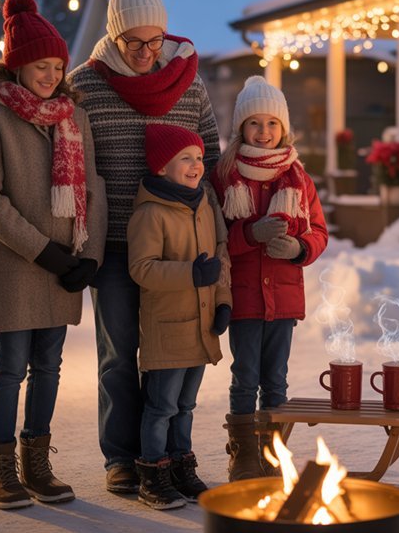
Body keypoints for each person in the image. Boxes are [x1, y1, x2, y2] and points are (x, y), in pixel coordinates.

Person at [66, 0, 222, 493]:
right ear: (114, 36)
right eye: (133, 42)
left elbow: (211, 156)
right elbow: (70, 165)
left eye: (155, 41)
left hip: (178, 249)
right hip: (114, 244)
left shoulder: (189, 83)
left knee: (172, 352)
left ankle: (164, 454)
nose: (145, 52)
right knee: (118, 354)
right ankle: (121, 457)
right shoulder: (84, 85)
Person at [0, 0, 107, 509]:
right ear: (17, 65)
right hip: (16, 263)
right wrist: (43, 251)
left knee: (49, 366)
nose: (50, 75)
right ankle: (1, 469)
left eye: (56, 66)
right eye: (39, 65)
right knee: (11, 367)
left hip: (65, 262)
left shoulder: (74, 117)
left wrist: (88, 255)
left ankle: (37, 464)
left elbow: (92, 186)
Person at [212, 76, 329, 481]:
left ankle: (273, 452)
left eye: (272, 124)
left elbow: (319, 231)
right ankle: (244, 454)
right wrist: (249, 235)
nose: (264, 132)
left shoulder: (298, 178)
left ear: (284, 128)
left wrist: (299, 248)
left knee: (276, 380)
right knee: (245, 377)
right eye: (254, 123)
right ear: (241, 128)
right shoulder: (224, 177)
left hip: (283, 298)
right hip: (244, 297)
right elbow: (213, 238)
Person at [126, 124, 232, 509]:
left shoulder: (204, 205)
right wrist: (190, 273)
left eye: (199, 157)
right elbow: (141, 268)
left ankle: (180, 466)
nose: (196, 165)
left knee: (186, 405)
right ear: (161, 167)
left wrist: (223, 301)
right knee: (161, 407)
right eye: (185, 158)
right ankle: (152, 474)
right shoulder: (150, 213)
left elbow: (220, 255)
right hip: (168, 330)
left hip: (200, 327)